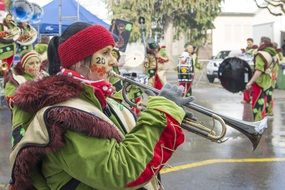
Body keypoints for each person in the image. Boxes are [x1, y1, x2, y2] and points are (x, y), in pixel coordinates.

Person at [8, 22, 193, 190]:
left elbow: (127, 142)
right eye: (105, 53)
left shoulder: (99, 99)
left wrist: (166, 116)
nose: (113, 60)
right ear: (80, 60)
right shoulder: (63, 117)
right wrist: (161, 114)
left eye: (112, 52)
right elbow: (120, 172)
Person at [245, 36, 278, 121]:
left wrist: (250, 82)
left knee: (256, 104)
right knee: (263, 101)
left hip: (260, 82)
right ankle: (262, 121)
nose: (259, 44)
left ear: (262, 43)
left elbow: (258, 71)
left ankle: (257, 126)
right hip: (268, 81)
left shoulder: (261, 54)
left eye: (260, 42)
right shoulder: (272, 54)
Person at [241, 38, 258, 104]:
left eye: (249, 42)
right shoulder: (246, 49)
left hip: (253, 69)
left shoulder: (256, 49)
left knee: (252, 84)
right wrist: (244, 52)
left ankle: (252, 99)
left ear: (252, 42)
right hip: (246, 70)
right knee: (245, 83)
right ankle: (246, 99)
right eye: (247, 42)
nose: (248, 43)